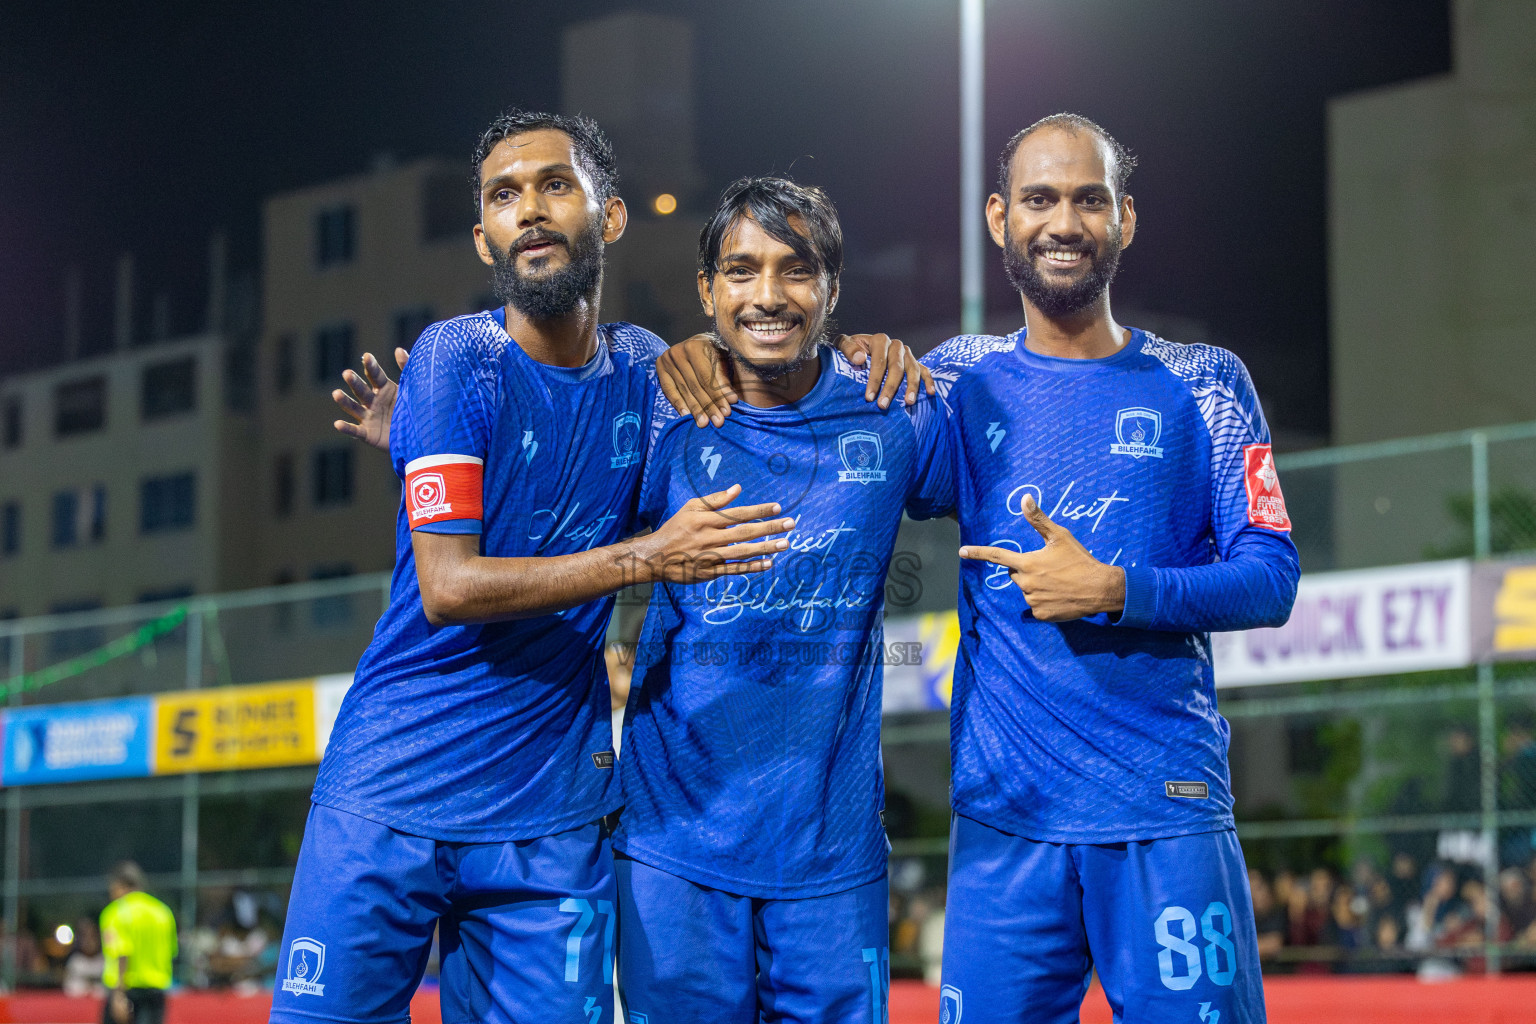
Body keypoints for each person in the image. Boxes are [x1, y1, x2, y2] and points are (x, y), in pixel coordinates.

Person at [270, 108, 800, 1024]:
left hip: (549, 815)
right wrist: (645, 557)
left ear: (613, 216)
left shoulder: (647, 370)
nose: (532, 211)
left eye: (557, 185)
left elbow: (763, 417)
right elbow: (448, 588)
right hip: (393, 789)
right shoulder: (455, 358)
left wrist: (858, 356)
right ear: (484, 236)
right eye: (505, 196)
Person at [927, 114, 1297, 1023]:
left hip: (1165, 806)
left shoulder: (1205, 380)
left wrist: (1116, 591)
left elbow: (1271, 575)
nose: (1064, 223)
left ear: (1124, 219)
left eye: (1089, 200)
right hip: (1003, 819)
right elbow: (827, 451)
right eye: (1041, 199)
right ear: (997, 217)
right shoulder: (953, 381)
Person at [612, 177, 953, 1022]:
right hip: (670, 847)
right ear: (707, 291)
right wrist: (410, 435)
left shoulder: (894, 409)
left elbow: (1012, 478)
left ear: (832, 289)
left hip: (832, 857)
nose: (767, 295)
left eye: (795, 270)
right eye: (740, 270)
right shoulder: (657, 410)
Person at [99, 861, 176, 1024]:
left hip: (127, 992)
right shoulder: (163, 912)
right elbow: (171, 952)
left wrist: (118, 996)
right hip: (156, 993)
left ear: (120, 885)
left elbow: (122, 953)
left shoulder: (115, 912)